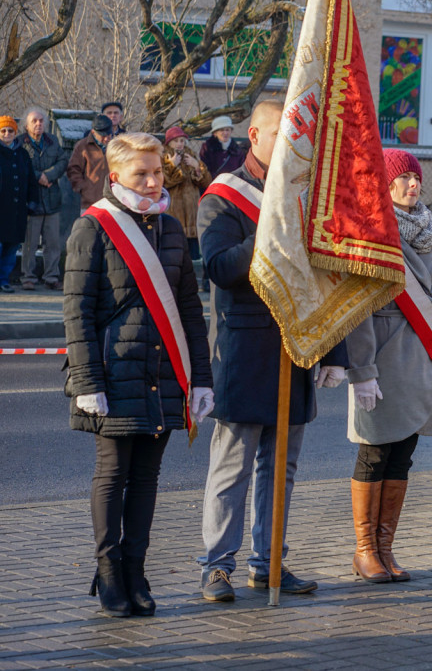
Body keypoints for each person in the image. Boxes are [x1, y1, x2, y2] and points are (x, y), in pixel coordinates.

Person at [196, 100, 347, 602]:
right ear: (254, 136)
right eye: (280, 133)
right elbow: (219, 267)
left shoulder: (307, 196)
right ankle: (217, 566)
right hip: (244, 348)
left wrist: (335, 351)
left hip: (295, 346)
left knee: (280, 467)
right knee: (232, 466)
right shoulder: (222, 197)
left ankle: (269, 562)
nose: (290, 143)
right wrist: (271, 230)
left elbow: (327, 278)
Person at [63, 132, 214, 617]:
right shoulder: (93, 228)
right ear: (115, 177)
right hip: (112, 373)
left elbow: (191, 310)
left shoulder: (171, 229)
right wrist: (87, 382)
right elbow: (77, 312)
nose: (152, 182)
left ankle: (136, 570)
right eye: (140, 174)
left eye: (156, 172)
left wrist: (202, 378)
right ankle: (108, 573)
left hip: (164, 370)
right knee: (113, 473)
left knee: (148, 476)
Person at [345, 149, 432, 583]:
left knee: (404, 453)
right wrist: (360, 370)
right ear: (384, 184)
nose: (413, 185)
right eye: (403, 179)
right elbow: (356, 304)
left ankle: (384, 547)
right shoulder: (371, 228)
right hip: (383, 352)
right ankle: (364, 551)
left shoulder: (431, 229)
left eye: (416, 178)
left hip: (424, 353)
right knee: (376, 450)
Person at [16, 106, 68, 291]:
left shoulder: (52, 141)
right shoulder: (19, 142)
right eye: (34, 121)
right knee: (29, 244)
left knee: (52, 243)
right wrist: (38, 176)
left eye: (41, 120)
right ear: (26, 125)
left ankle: (51, 277)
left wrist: (50, 175)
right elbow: (19, 165)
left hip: (52, 200)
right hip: (31, 201)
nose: (39, 124)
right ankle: (28, 277)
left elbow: (63, 161)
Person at [162, 126, 211, 289]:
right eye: (176, 141)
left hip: (191, 211)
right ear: (170, 142)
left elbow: (206, 182)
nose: (180, 144)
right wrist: (173, 166)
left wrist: (197, 166)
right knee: (175, 251)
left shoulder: (191, 154)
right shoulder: (163, 157)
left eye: (182, 140)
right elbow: (164, 182)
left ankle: (192, 284)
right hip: (174, 210)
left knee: (192, 254)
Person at [0, 115, 38, 293]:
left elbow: (31, 180)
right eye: (3, 130)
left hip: (16, 211)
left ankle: (4, 280)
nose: (7, 133)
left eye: (10, 131)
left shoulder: (22, 154)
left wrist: (32, 201)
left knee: (11, 247)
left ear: (15, 133)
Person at [68, 115, 113, 214]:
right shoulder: (82, 146)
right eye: (103, 136)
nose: (106, 139)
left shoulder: (117, 145)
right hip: (89, 202)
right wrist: (83, 188)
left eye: (109, 135)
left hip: (113, 202)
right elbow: (73, 169)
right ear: (93, 132)